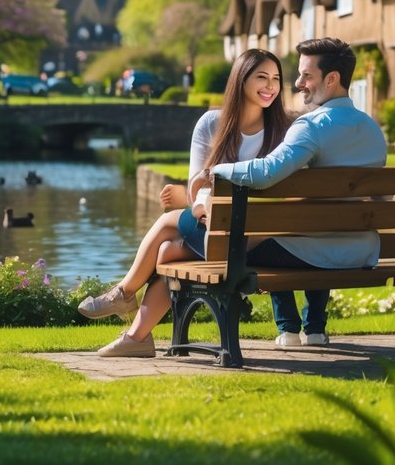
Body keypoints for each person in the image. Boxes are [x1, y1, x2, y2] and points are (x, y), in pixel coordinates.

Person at [77, 48, 293, 357]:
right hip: (217, 232)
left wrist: (196, 200)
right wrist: (200, 203)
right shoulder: (210, 124)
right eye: (262, 77)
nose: (270, 86)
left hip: (258, 240)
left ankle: (124, 293)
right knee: (167, 252)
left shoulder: (285, 132)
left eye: (275, 79)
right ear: (240, 80)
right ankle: (137, 338)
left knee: (168, 223)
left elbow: (197, 190)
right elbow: (198, 188)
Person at [183, 37, 387, 348]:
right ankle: (313, 329)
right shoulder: (372, 129)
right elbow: (383, 200)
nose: (298, 83)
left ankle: (289, 329)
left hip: (310, 249)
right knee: (291, 225)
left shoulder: (311, 127)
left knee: (195, 226)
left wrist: (213, 173)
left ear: (332, 79)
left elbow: (264, 174)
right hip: (360, 250)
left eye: (307, 75)